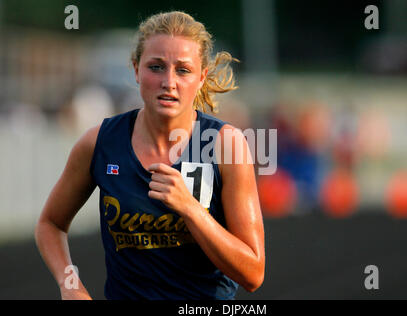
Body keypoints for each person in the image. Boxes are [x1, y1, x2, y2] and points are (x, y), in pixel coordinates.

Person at [35, 11, 265, 300]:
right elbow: (50, 224)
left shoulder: (225, 145)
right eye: (156, 67)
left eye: (183, 70)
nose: (169, 81)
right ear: (135, 70)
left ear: (202, 77)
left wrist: (191, 209)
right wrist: (70, 285)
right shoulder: (100, 143)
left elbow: (253, 273)